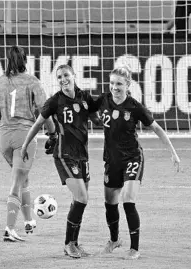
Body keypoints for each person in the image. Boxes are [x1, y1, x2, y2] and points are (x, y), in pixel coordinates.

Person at [91, 65, 180, 259]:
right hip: (111, 160)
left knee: (128, 201)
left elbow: (157, 128)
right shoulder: (104, 100)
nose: (115, 87)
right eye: (112, 83)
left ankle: (134, 248)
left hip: (132, 158)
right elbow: (86, 107)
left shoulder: (135, 107)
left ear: (128, 85)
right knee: (109, 203)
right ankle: (114, 240)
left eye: (119, 84)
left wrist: (173, 152)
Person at [21, 64, 100, 258]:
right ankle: (68, 244)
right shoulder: (55, 101)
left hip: (83, 155)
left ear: (74, 75)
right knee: (82, 198)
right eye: (59, 77)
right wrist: (24, 145)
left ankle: (74, 243)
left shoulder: (85, 97)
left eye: (66, 75)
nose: (63, 79)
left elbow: (97, 120)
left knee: (79, 201)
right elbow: (39, 123)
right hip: (64, 154)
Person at [0, 46, 56, 242]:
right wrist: (53, 134)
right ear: (24, 60)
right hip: (24, 138)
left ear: (7, 61)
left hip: (4, 138)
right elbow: (45, 111)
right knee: (16, 182)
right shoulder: (32, 81)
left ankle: (28, 221)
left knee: (22, 177)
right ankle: (9, 228)